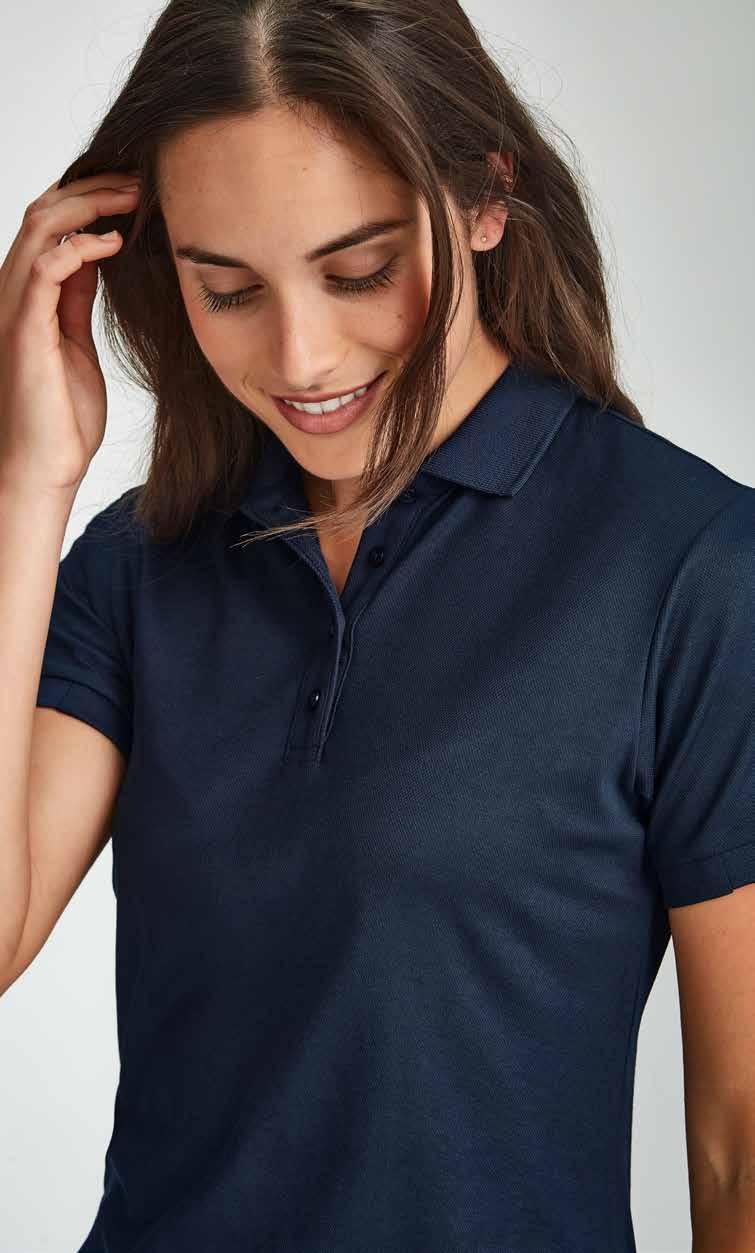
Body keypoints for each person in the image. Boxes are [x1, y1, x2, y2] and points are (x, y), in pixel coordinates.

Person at [0, 1, 753, 1251]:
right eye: (226, 289)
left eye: (357, 272)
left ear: (485, 199)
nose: (300, 356)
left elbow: (737, 1143)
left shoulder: (691, 567)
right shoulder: (139, 563)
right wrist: (29, 483)